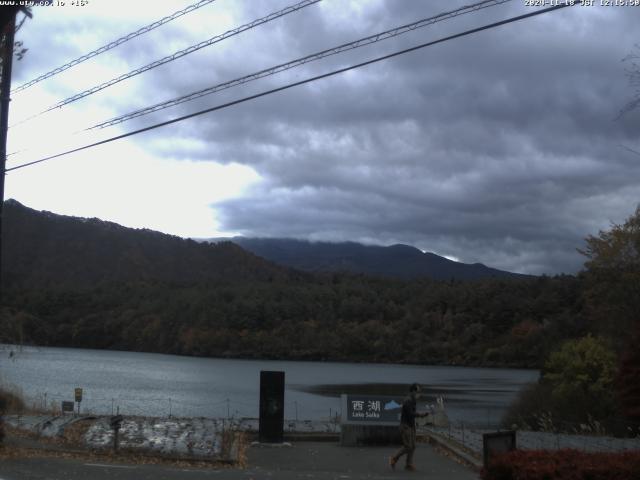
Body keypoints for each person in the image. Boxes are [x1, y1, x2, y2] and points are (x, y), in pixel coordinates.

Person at [389, 383, 428, 471]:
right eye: (418, 391)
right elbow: (411, 414)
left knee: (413, 446)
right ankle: (394, 458)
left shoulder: (413, 400)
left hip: (411, 425)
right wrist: (421, 414)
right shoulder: (408, 401)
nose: (419, 393)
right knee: (408, 446)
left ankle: (409, 464)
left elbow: (412, 414)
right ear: (413, 391)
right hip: (405, 426)